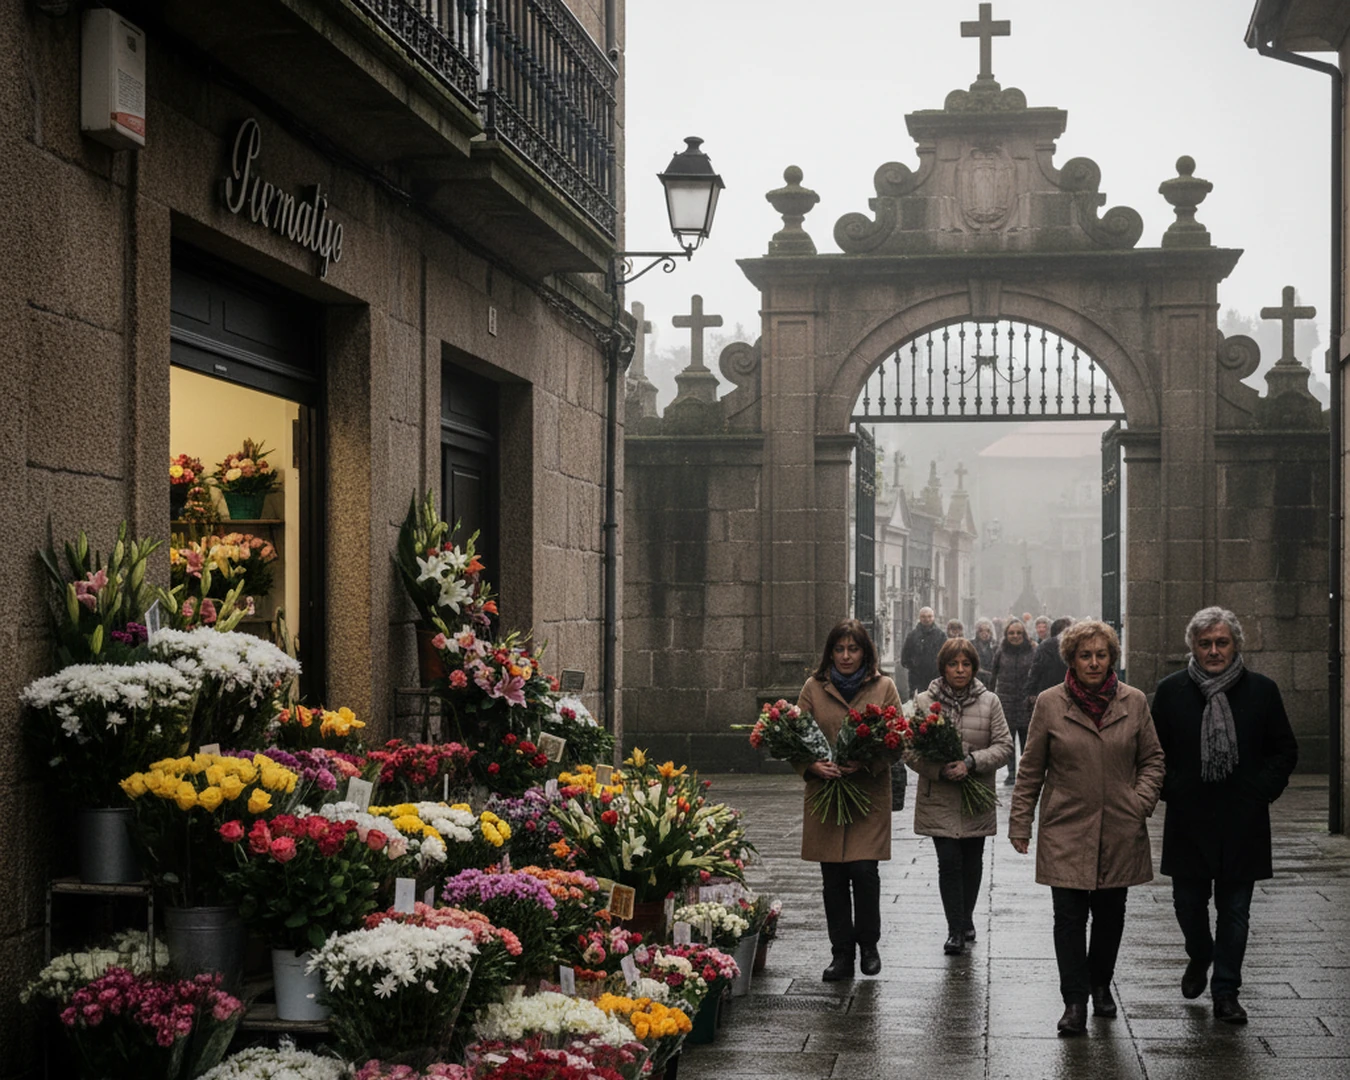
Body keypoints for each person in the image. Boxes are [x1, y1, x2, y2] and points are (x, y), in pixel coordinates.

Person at [1008, 619, 1164, 1036]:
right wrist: (1021, 822)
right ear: (1071, 660)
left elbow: (1152, 759)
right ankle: (1074, 1001)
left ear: (1112, 658)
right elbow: (1031, 768)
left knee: (1110, 915)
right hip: (1066, 826)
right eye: (1085, 655)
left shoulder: (1134, 701)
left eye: (1101, 655)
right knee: (1069, 917)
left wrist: (1140, 801)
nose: (1094, 663)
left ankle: (1100, 983)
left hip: (1119, 826)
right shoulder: (1050, 703)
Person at [1151, 607, 1298, 1025]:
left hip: (1242, 821)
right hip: (1189, 820)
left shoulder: (1262, 691)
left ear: (1235, 645)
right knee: (1188, 905)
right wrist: (1174, 788)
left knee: (1235, 912)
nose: (1214, 650)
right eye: (1205, 643)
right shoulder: (1171, 691)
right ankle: (1200, 954)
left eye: (1222, 642)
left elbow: (1284, 750)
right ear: (1193, 647)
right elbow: (1153, 753)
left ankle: (1226, 992)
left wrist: (1260, 790)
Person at [795, 619, 902, 982]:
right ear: (830, 652)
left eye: (852, 649)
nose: (845, 656)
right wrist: (811, 765)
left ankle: (868, 944)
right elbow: (795, 736)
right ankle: (841, 954)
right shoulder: (813, 687)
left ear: (864, 652)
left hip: (867, 797)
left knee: (864, 872)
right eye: (839, 649)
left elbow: (897, 739)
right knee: (834, 880)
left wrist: (868, 762)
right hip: (826, 798)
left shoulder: (884, 687)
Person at [907, 638, 1013, 956]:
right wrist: (937, 770)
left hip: (974, 797)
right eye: (953, 664)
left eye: (966, 664)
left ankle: (966, 918)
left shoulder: (990, 701)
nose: (960, 670)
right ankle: (955, 928)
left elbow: (1005, 746)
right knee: (949, 861)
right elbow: (908, 748)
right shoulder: (923, 702)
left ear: (974, 668)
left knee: (971, 861)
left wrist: (971, 762)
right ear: (943, 667)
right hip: (938, 796)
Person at [989, 619, 1036, 785]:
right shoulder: (1000, 651)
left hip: (1026, 702)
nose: (1015, 636)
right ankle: (1011, 773)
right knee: (1008, 741)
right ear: (1006, 634)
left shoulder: (1032, 651)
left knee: (1027, 741)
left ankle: (1025, 772)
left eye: (1018, 633)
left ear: (1024, 634)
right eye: (1011, 633)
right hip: (1006, 701)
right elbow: (993, 675)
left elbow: (1037, 674)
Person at [1024, 616, 1072, 711]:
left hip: (1047, 693)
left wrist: (1031, 693)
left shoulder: (1044, 646)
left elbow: (1035, 671)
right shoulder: (1073, 646)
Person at [900, 607, 944, 700]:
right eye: (924, 617)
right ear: (919, 618)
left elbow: (946, 656)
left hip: (935, 678)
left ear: (934, 617)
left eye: (929, 616)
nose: (927, 619)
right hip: (917, 679)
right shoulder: (912, 636)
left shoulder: (941, 636)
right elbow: (904, 658)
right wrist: (915, 666)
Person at [972, 618, 997, 683]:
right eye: (981, 631)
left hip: (990, 681)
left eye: (988, 631)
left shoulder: (995, 647)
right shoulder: (971, 645)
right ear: (977, 632)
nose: (984, 633)